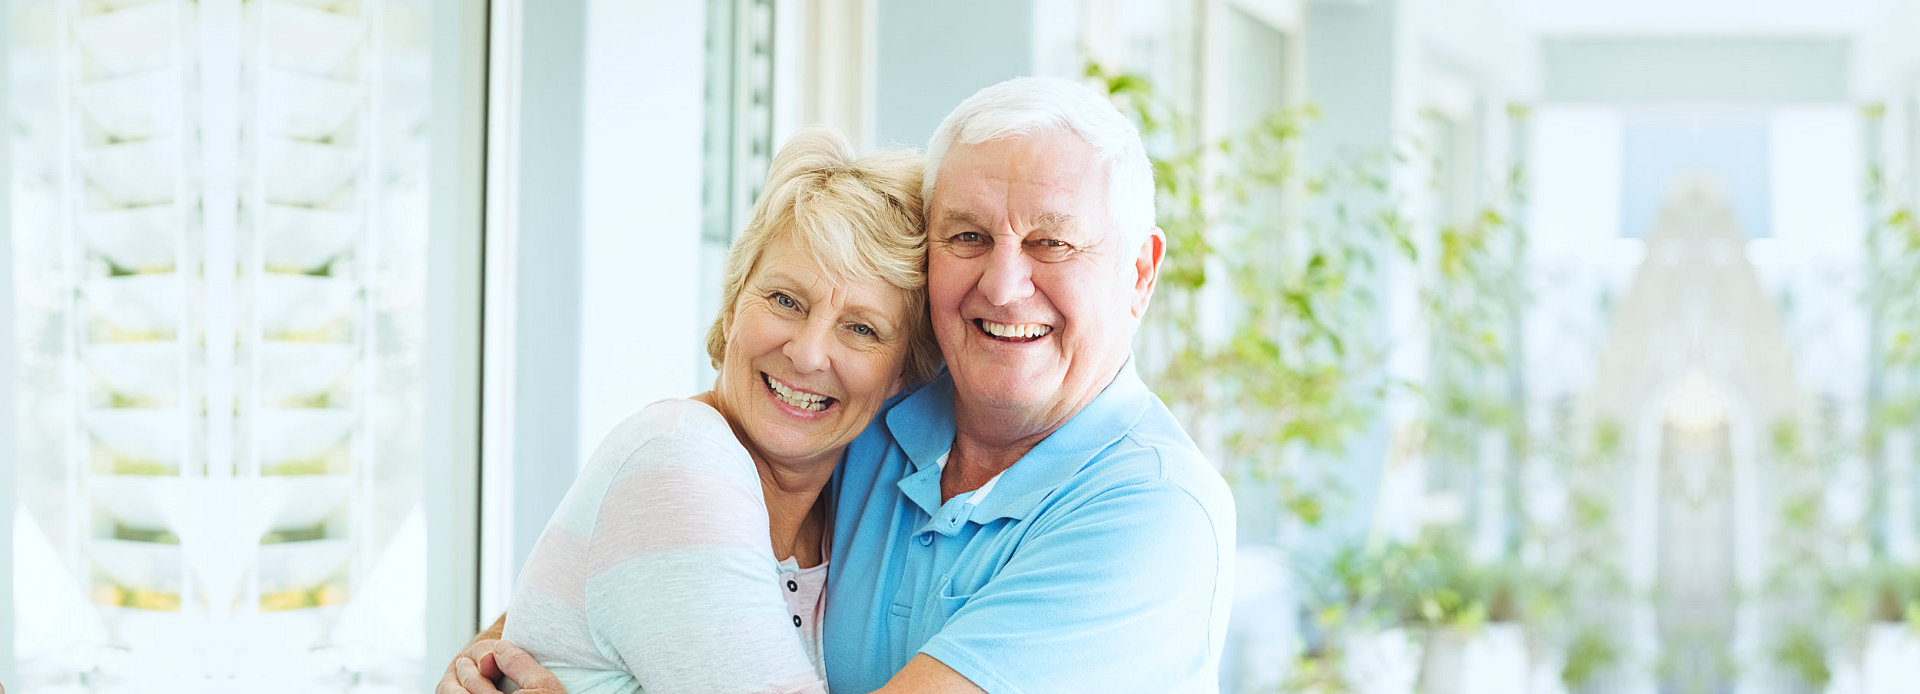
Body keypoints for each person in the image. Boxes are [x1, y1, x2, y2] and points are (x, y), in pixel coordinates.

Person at [446, 76, 1235, 694]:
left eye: (1051, 242)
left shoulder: (1152, 515)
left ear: (1140, 273)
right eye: (967, 236)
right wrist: (496, 654)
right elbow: (644, 533)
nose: (1003, 285)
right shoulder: (869, 430)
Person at [437, 127, 938, 694]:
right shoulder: (680, 462)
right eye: (784, 300)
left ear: (903, 372)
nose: (807, 351)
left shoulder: (846, 508)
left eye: (861, 328)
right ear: (731, 304)